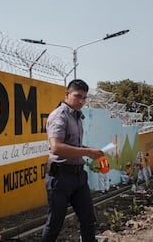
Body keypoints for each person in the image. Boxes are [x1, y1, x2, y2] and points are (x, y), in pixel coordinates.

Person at [41, 79, 104, 242]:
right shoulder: (59, 116)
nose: (81, 101)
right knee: (55, 223)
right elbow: (56, 147)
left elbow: (73, 145)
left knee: (89, 220)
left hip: (78, 177)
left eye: (84, 98)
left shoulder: (77, 117)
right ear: (67, 94)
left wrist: (89, 150)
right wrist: (87, 152)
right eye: (77, 96)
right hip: (60, 177)